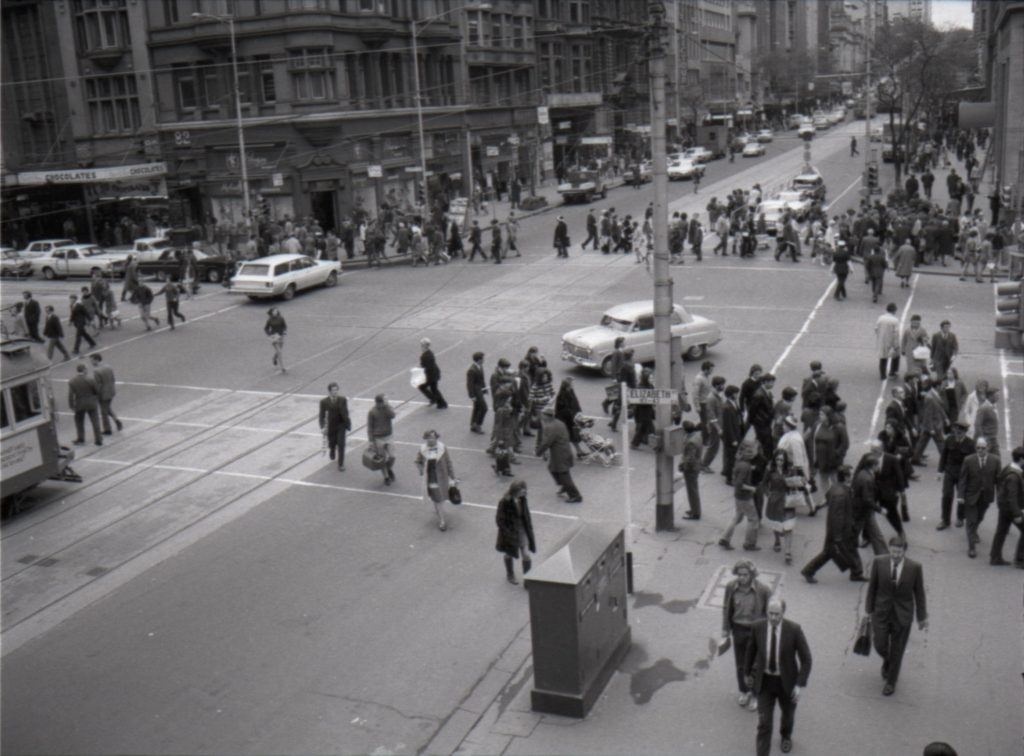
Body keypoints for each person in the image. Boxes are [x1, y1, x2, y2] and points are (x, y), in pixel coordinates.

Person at [744, 597, 812, 756]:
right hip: (765, 682)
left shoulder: (794, 630)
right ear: (766, 612)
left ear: (783, 613)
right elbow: (750, 651)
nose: (773, 618)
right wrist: (746, 673)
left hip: (786, 682)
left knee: (788, 715)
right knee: (764, 724)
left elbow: (807, 659)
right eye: (770, 613)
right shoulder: (757, 627)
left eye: (777, 614)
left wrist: (799, 685)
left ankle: (786, 736)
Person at [865, 536, 928, 696]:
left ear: (904, 551)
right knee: (879, 644)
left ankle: (891, 682)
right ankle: (888, 660)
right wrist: (868, 609)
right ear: (889, 549)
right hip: (881, 612)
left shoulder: (914, 568)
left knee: (898, 650)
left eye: (899, 552)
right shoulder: (879, 562)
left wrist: (922, 617)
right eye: (893, 551)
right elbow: (872, 587)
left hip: (903, 614)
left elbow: (919, 593)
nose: (896, 555)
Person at [721, 560, 772, 712]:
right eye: (739, 574)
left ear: (752, 575)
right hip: (738, 630)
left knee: (756, 665)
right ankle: (744, 691)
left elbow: (771, 611)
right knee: (741, 664)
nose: (741, 578)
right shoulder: (731, 587)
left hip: (756, 631)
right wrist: (725, 628)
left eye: (745, 575)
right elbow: (726, 607)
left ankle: (755, 695)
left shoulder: (763, 590)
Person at [801, 466, 866, 582]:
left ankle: (856, 572)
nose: (852, 477)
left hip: (842, 529)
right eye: (851, 475)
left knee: (848, 549)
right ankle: (808, 571)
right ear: (846, 477)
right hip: (841, 531)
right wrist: (837, 537)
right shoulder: (841, 494)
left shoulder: (836, 488)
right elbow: (838, 516)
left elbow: (827, 499)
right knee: (831, 552)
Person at [958, 437, 1001, 558]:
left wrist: (1000, 498)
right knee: (971, 521)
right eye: (978, 448)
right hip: (971, 496)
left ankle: (974, 530)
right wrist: (960, 496)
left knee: (980, 517)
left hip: (986, 497)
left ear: (988, 447)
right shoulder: (968, 460)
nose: (980, 450)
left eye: (983, 448)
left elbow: (998, 481)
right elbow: (963, 479)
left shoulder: (995, 460)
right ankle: (971, 547)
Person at [535, 405, 582, 503]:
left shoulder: (550, 427)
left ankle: (575, 495)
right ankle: (565, 486)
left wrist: (538, 452)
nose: (541, 416)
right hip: (564, 451)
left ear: (547, 416)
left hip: (559, 454)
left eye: (543, 414)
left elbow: (546, 442)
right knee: (553, 469)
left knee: (563, 474)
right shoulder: (559, 423)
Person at [719, 442, 760, 551]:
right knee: (753, 519)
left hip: (738, 496)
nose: (752, 453)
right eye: (750, 451)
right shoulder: (745, 466)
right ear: (745, 452)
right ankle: (749, 543)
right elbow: (739, 483)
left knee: (738, 517)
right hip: (745, 496)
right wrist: (752, 488)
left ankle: (725, 537)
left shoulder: (740, 462)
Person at [495, 479, 536, 585]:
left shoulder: (523, 499)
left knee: (526, 555)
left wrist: (529, 527)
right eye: (523, 491)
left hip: (522, 530)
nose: (525, 493)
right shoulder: (504, 502)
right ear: (516, 491)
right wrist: (507, 533)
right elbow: (500, 520)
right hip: (510, 532)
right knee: (509, 554)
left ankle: (527, 579)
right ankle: (510, 574)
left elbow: (526, 514)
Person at [415, 429, 457, 532]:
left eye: (432, 437)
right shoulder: (423, 449)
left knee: (438, 498)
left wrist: (452, 476)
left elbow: (448, 462)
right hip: (431, 478)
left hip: (442, 477)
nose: (430, 440)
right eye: (428, 438)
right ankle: (442, 521)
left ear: (436, 438)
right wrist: (421, 470)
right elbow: (418, 461)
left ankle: (438, 511)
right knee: (438, 498)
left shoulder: (442, 448)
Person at [763, 449, 800, 564]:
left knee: (788, 526)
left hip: (788, 501)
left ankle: (788, 552)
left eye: (782, 460)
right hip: (775, 500)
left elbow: (797, 483)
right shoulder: (770, 470)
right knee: (776, 523)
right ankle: (777, 540)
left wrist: (796, 482)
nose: (780, 462)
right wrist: (768, 494)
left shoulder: (790, 470)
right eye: (778, 459)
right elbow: (764, 484)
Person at [991, 446, 1024, 567]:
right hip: (1011, 509)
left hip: (1003, 506)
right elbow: (1012, 497)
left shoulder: (1008, 468)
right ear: (1021, 459)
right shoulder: (1014, 477)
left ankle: (995, 557)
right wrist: (1017, 514)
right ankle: (1020, 560)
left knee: (1001, 531)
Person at [68, 363, 103, 447]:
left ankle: (81, 438)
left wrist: (71, 405)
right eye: (86, 369)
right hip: (91, 402)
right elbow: (97, 391)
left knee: (79, 422)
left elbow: (70, 395)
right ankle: (98, 439)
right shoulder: (90, 379)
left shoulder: (72, 381)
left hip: (79, 404)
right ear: (83, 370)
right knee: (95, 421)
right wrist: (95, 398)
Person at [319, 382, 351, 470]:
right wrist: (322, 427)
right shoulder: (324, 402)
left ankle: (341, 464)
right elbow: (321, 415)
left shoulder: (343, 399)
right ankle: (332, 450)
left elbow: (346, 411)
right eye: (333, 390)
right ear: (329, 391)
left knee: (341, 444)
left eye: (336, 390)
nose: (335, 392)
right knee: (332, 442)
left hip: (341, 425)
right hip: (331, 426)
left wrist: (346, 422)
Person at [88, 353, 122, 436]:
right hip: (111, 391)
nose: (91, 362)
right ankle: (116, 420)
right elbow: (113, 379)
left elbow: (98, 384)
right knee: (107, 408)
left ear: (96, 360)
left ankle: (107, 429)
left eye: (92, 360)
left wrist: (95, 394)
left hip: (103, 394)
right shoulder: (108, 367)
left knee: (104, 412)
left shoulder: (96, 371)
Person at [367, 393, 397, 485]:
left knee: (392, 456)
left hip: (388, 436)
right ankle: (386, 477)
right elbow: (370, 427)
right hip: (378, 438)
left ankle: (388, 468)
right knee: (382, 458)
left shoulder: (387, 408)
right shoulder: (372, 412)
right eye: (384, 401)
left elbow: (393, 415)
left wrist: (387, 406)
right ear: (378, 402)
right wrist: (371, 441)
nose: (386, 402)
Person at [554, 377, 585, 457]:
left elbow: (575, 402)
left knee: (573, 436)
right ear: (567, 386)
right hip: (565, 420)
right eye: (571, 384)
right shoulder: (562, 397)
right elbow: (564, 410)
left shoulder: (570, 392)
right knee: (566, 437)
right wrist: (574, 416)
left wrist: (579, 412)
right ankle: (572, 452)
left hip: (571, 419)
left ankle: (579, 451)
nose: (573, 385)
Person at [680, 420, 704, 520]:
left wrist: (683, 465)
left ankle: (695, 512)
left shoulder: (691, 442)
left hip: (691, 469)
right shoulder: (697, 436)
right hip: (697, 466)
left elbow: (690, 458)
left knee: (692, 490)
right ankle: (694, 508)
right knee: (693, 489)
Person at [418, 338, 447, 409]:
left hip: (431, 376)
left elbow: (427, 367)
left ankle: (434, 399)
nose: (421, 346)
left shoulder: (425, 355)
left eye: (421, 345)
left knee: (421, 386)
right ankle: (442, 403)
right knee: (434, 389)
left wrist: (420, 372)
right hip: (434, 374)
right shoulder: (429, 353)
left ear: (424, 346)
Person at [875, 303, 900, 380]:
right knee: (896, 356)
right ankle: (893, 371)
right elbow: (896, 333)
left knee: (883, 358)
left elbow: (876, 329)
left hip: (881, 340)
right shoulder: (895, 320)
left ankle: (882, 375)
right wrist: (896, 344)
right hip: (891, 340)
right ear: (894, 310)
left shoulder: (880, 318)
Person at [466, 351, 488, 434]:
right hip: (476, 392)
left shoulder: (479, 366)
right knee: (484, 408)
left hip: (480, 390)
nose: (484, 359)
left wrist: (484, 389)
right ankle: (478, 424)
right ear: (479, 360)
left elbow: (482, 379)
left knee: (477, 408)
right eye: (483, 358)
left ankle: (473, 424)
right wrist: (472, 395)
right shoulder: (472, 370)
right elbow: (469, 384)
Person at [264, 307, 287, 373]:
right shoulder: (269, 320)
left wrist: (284, 332)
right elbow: (266, 328)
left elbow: (284, 326)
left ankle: (274, 358)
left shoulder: (281, 318)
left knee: (280, 350)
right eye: (274, 311)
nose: (275, 312)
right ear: (271, 313)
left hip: (281, 335)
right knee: (279, 351)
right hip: (274, 336)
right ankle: (282, 367)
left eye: (276, 311)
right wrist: (269, 335)